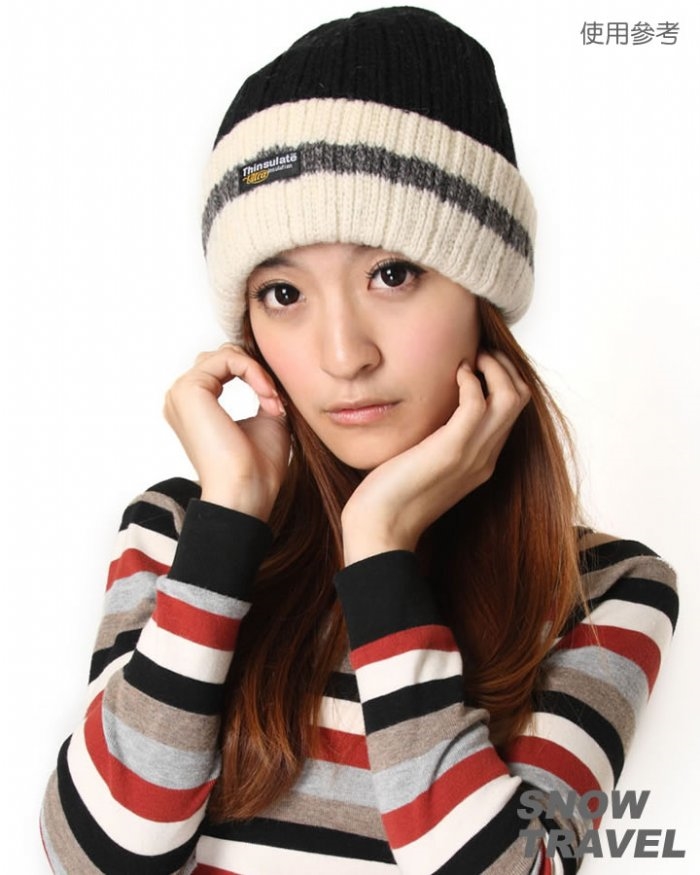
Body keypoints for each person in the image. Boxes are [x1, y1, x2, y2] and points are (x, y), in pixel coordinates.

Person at [40, 7, 678, 873]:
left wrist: (379, 550)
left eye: (392, 273)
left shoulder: (603, 592)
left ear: (483, 295)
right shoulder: (181, 533)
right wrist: (230, 518)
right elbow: (101, 858)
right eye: (283, 294)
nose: (343, 356)